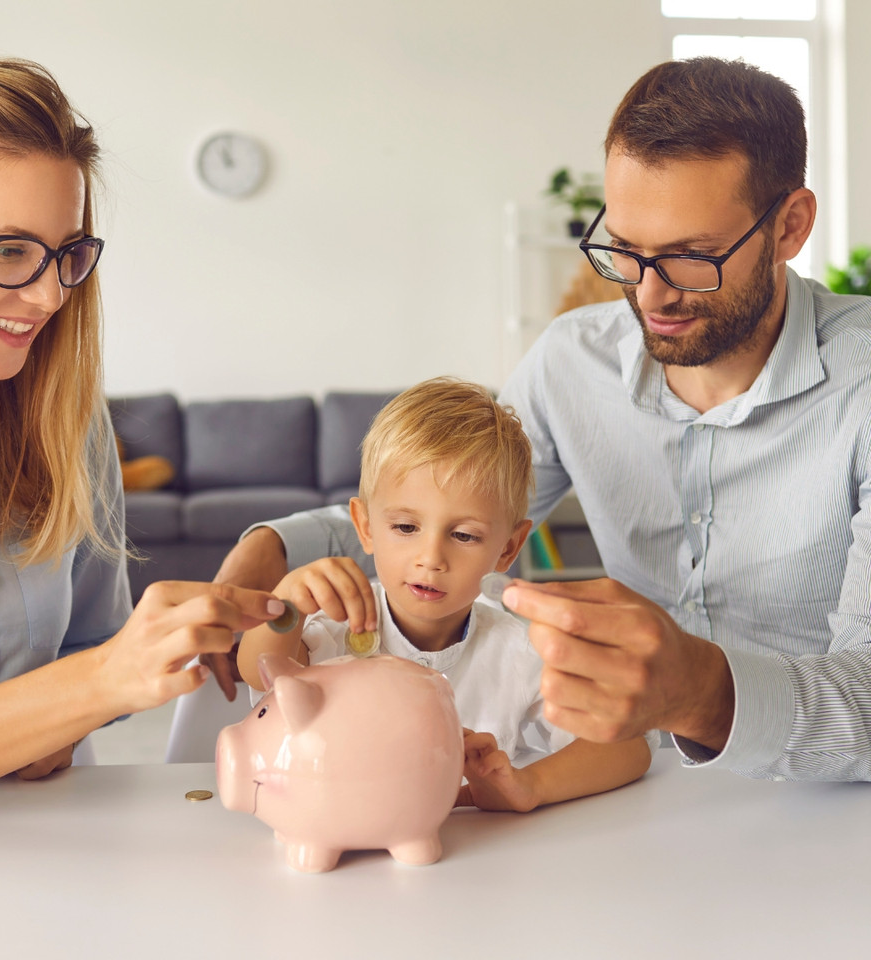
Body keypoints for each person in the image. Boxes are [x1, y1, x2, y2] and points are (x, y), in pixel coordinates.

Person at [212, 56, 871, 783]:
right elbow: (444, 504)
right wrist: (273, 545)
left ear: (791, 226)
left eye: (693, 257)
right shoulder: (571, 360)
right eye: (625, 249)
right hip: (630, 790)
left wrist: (705, 695)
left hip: (829, 810)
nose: (650, 295)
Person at [0, 59, 285, 807]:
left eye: (67, 253)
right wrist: (90, 686)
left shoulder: (67, 422)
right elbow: (93, 674)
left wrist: (77, 712)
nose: (50, 294)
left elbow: (90, 646)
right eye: (10, 250)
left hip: (47, 852)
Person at [235, 378, 653, 811]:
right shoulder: (339, 625)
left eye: (464, 535)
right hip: (342, 839)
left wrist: (530, 786)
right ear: (364, 526)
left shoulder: (520, 648)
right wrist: (286, 606)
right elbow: (258, 670)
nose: (430, 558)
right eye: (405, 527)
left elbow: (627, 745)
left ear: (508, 548)